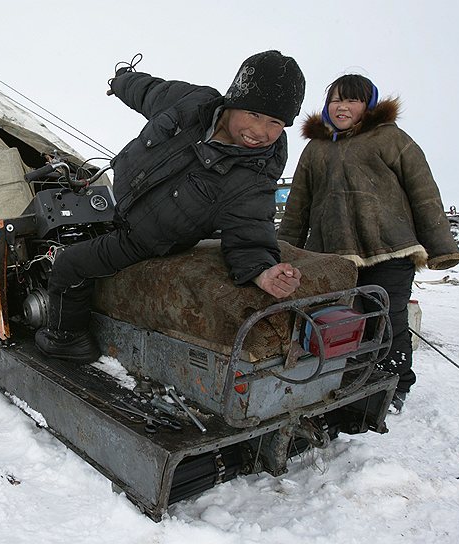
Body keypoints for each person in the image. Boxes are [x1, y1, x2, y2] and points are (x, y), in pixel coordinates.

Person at [36, 50, 306, 364]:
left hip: (142, 239)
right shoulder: (192, 101)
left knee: (68, 264)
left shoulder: (255, 175)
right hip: (117, 202)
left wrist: (263, 271)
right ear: (233, 100)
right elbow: (149, 91)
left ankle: (68, 340)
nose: (261, 132)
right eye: (254, 114)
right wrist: (122, 81)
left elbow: (251, 229)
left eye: (275, 122)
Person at [277, 74, 459, 415]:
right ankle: (347, 379)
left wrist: (442, 247)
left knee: (387, 318)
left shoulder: (390, 138)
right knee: (339, 321)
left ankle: (394, 382)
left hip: (390, 250)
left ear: (369, 105)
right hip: (333, 258)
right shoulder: (316, 149)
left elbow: (423, 194)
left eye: (352, 100)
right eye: (336, 99)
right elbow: (297, 208)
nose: (342, 106)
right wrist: (283, 254)